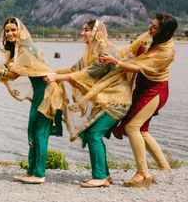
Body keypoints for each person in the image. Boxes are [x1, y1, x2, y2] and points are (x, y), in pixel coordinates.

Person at [0, 17, 66, 184]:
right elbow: (11, 73)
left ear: (20, 31)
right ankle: (32, 172)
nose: (10, 33)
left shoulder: (26, 49)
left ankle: (39, 174)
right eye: (7, 31)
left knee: (39, 132)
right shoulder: (18, 50)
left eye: (13, 30)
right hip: (41, 91)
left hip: (47, 91)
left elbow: (13, 75)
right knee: (33, 130)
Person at [44, 19, 131, 188]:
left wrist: (58, 78)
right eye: (82, 30)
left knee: (94, 134)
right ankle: (104, 175)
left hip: (117, 100)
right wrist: (51, 73)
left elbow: (88, 74)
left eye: (87, 30)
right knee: (93, 133)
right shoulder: (91, 52)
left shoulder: (105, 53)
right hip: (107, 100)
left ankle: (100, 177)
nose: (82, 33)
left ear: (97, 33)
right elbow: (75, 70)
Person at [98, 13, 177, 188]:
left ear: (164, 33)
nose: (150, 28)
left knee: (132, 127)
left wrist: (116, 63)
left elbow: (138, 67)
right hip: (143, 88)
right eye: (151, 24)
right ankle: (166, 171)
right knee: (142, 130)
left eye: (155, 27)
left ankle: (143, 174)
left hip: (155, 91)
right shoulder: (147, 37)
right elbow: (128, 51)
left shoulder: (167, 52)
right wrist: (107, 50)